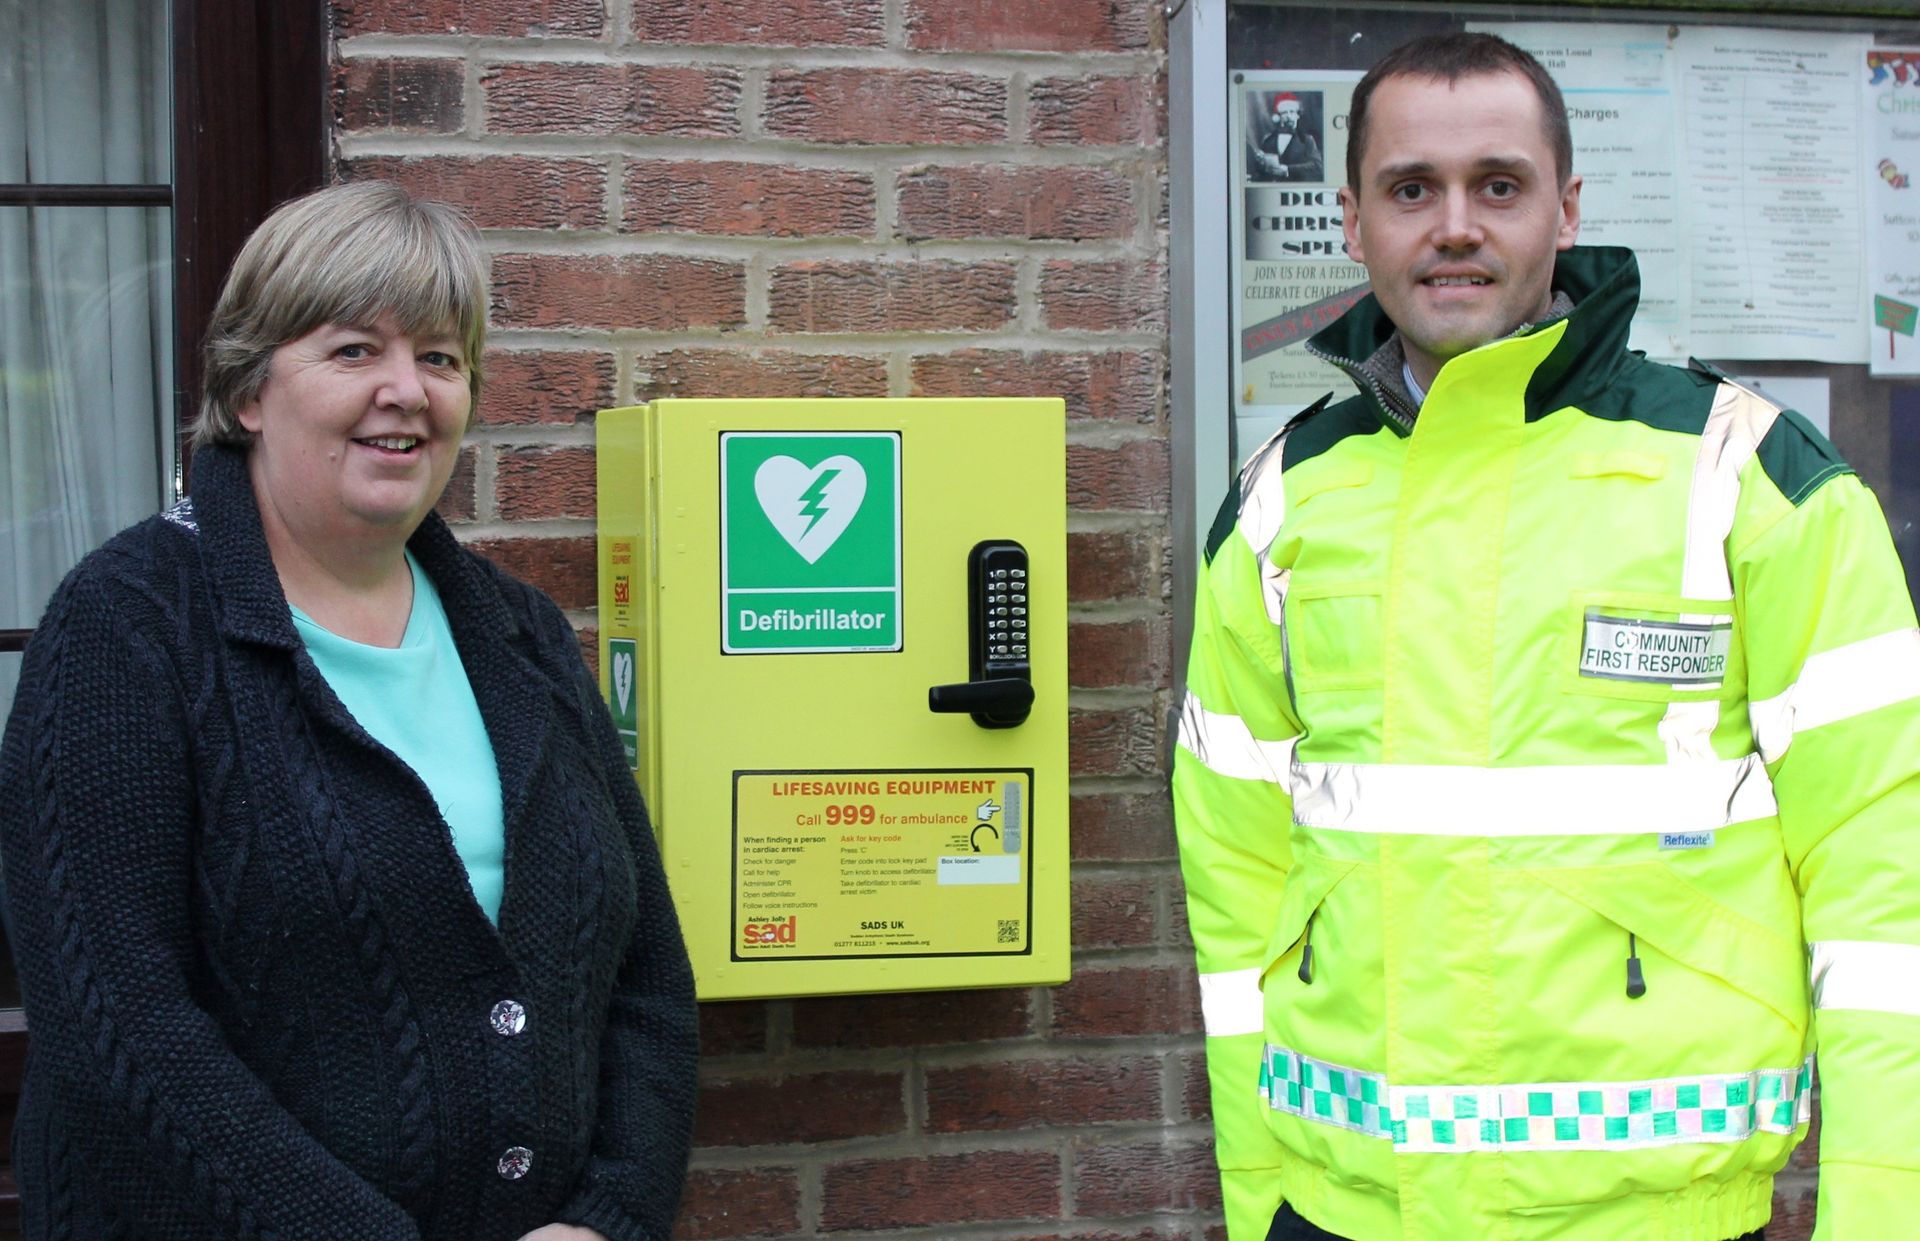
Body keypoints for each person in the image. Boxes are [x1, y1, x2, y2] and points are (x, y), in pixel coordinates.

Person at [1175, 31, 1920, 1241]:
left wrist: (1884, 1215)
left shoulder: (1750, 476)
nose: (1456, 224)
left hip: (1650, 1214)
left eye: (1500, 185)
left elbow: (1887, 878)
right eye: (1412, 188)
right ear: (1352, 219)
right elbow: (1235, 874)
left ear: (1566, 210)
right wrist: (1262, 1197)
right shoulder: (1284, 500)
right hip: (1345, 1210)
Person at [0, 181, 699, 1240]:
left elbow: (646, 966)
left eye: (440, 356)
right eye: (353, 351)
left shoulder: (518, 636)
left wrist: (609, 1212)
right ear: (248, 390)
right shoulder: (127, 627)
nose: (405, 390)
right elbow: (118, 1023)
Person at [1250, 91, 1324, 182]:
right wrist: (1261, 162)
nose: (1289, 116)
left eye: (1292, 112)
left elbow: (1317, 166)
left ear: (1297, 115)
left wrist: (1287, 169)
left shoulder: (1307, 140)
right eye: (1285, 113)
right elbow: (1261, 173)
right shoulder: (1268, 140)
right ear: (1278, 117)